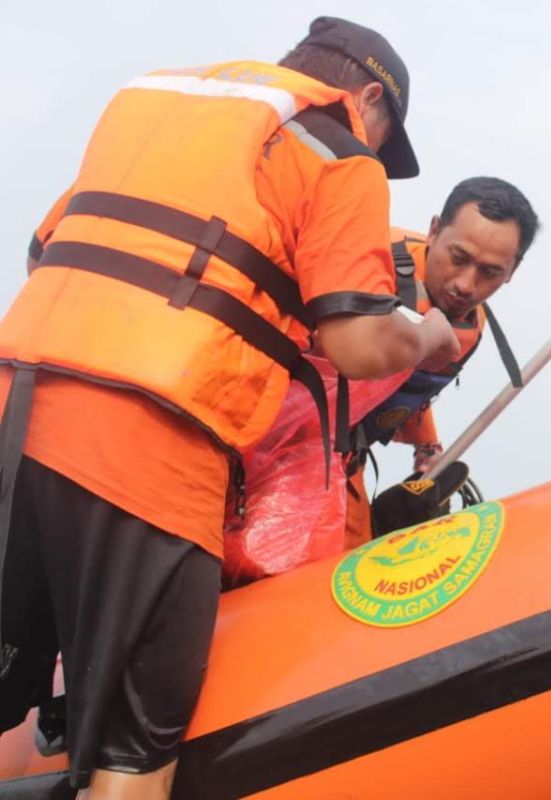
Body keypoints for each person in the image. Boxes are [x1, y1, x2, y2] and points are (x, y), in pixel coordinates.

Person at [0, 16, 460, 799]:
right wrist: (427, 338)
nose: (378, 153)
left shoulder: (154, 110)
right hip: (147, 444)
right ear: (368, 96)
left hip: (16, 411)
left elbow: (49, 249)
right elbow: (357, 344)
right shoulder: (340, 149)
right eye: (385, 138)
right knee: (134, 749)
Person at [222, 176, 539, 583]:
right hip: (253, 439)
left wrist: (427, 448)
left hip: (340, 460)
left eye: (490, 272)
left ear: (513, 271)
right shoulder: (366, 263)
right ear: (434, 229)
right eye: (457, 257)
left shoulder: (468, 329)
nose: (465, 283)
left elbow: (411, 390)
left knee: (342, 583)